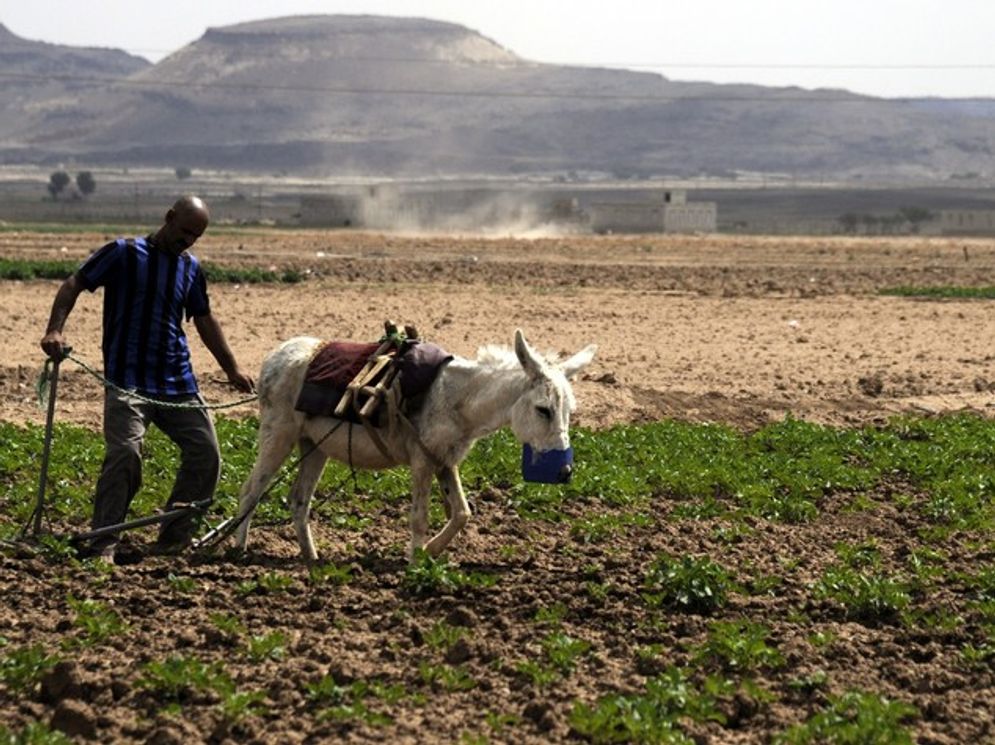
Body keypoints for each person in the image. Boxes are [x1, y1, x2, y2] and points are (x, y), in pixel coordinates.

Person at [40, 196, 255, 564]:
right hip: (128, 381)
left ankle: (174, 539)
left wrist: (231, 369)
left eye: (196, 235)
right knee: (125, 453)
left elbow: (204, 319)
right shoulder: (123, 252)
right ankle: (103, 541)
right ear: (169, 218)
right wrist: (55, 330)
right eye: (185, 230)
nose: (188, 240)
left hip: (177, 382)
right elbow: (75, 282)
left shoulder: (190, 268)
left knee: (207, 454)